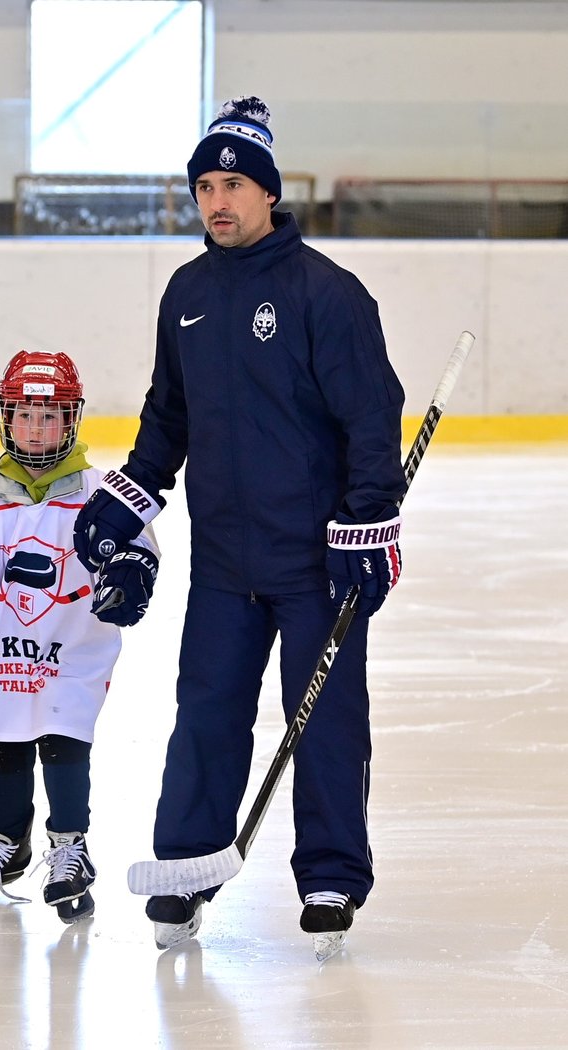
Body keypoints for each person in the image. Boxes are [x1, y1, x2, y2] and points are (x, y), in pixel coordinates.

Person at [73, 96, 406, 953]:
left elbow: (372, 419)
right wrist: (132, 489)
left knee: (324, 717)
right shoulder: (186, 293)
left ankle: (330, 874)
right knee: (207, 710)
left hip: (316, 563)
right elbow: (168, 416)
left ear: (268, 191)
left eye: (233, 184)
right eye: (204, 187)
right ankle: (187, 866)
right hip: (223, 561)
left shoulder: (326, 295)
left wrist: (369, 527)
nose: (217, 201)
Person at [0, 350, 160, 923]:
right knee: (1, 737)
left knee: (62, 736)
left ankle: (69, 846)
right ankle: (6, 845)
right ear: (6, 418)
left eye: (48, 416)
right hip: (2, 647)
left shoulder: (100, 490)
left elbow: (137, 545)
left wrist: (129, 573)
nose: (35, 428)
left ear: (72, 420)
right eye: (24, 415)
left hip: (74, 648)